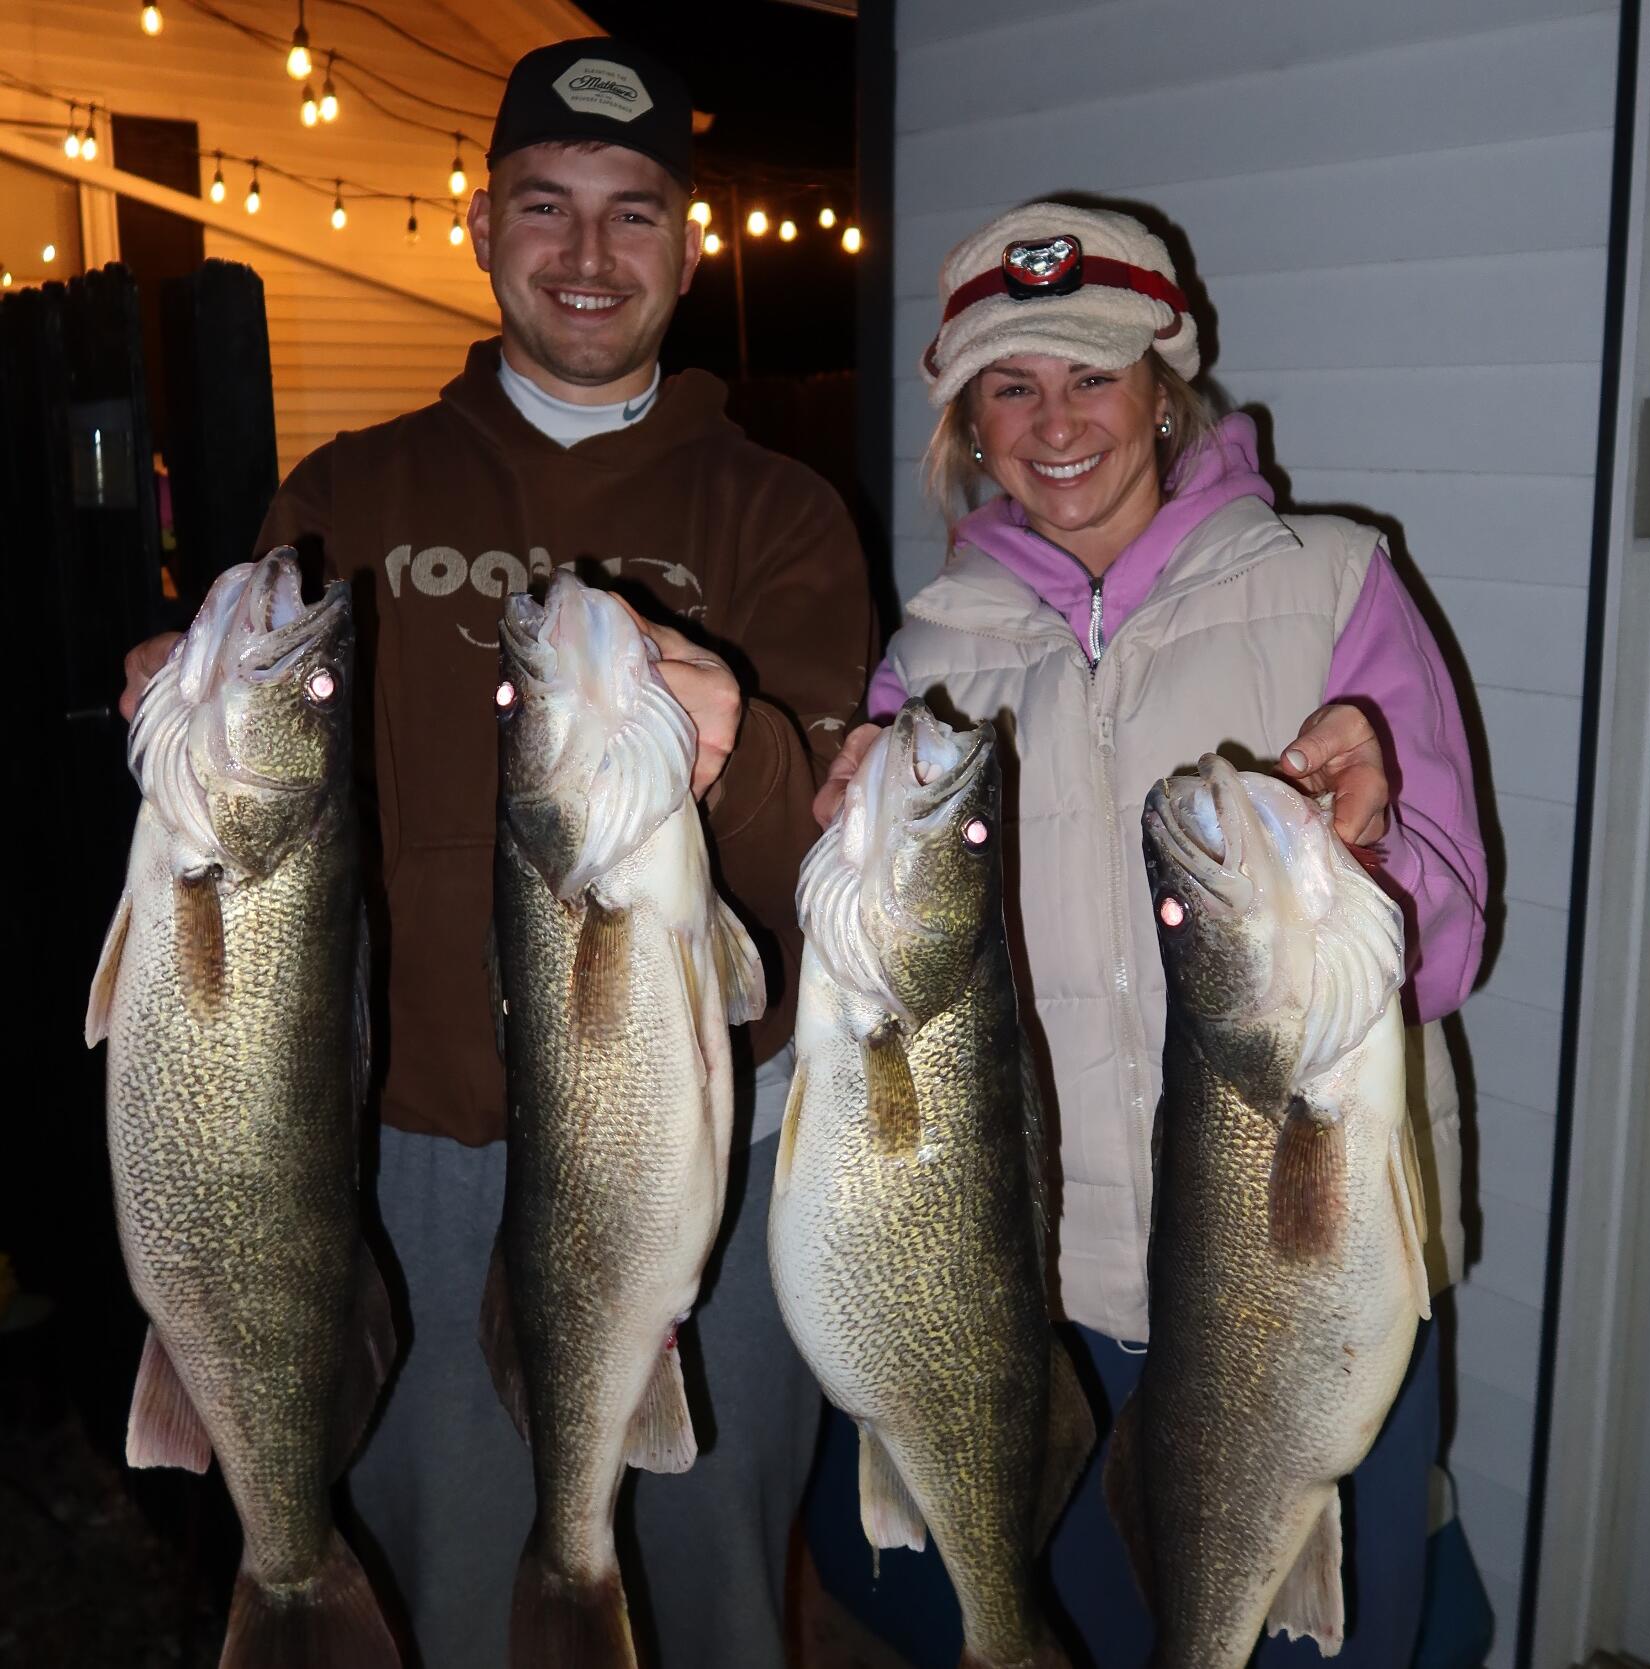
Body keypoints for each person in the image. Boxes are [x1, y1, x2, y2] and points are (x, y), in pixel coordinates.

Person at [119, 37, 873, 1669]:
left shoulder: (781, 514)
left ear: (686, 246)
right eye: (546, 207)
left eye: (630, 215)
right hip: (405, 1161)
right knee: (448, 1586)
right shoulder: (346, 495)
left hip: (690, 1155)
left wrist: (738, 747)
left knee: (709, 1587)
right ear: (481, 227)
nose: (586, 257)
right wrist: (165, 718)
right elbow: (251, 820)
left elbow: (827, 856)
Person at [805, 201, 1487, 1667]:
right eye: (1009, 385)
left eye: (1090, 374)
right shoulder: (925, 655)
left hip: (1307, 1280)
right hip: (1048, 1290)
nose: (1055, 422)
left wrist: (1371, 844)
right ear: (967, 424)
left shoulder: (1331, 582)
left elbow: (1444, 943)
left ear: (1164, 388)